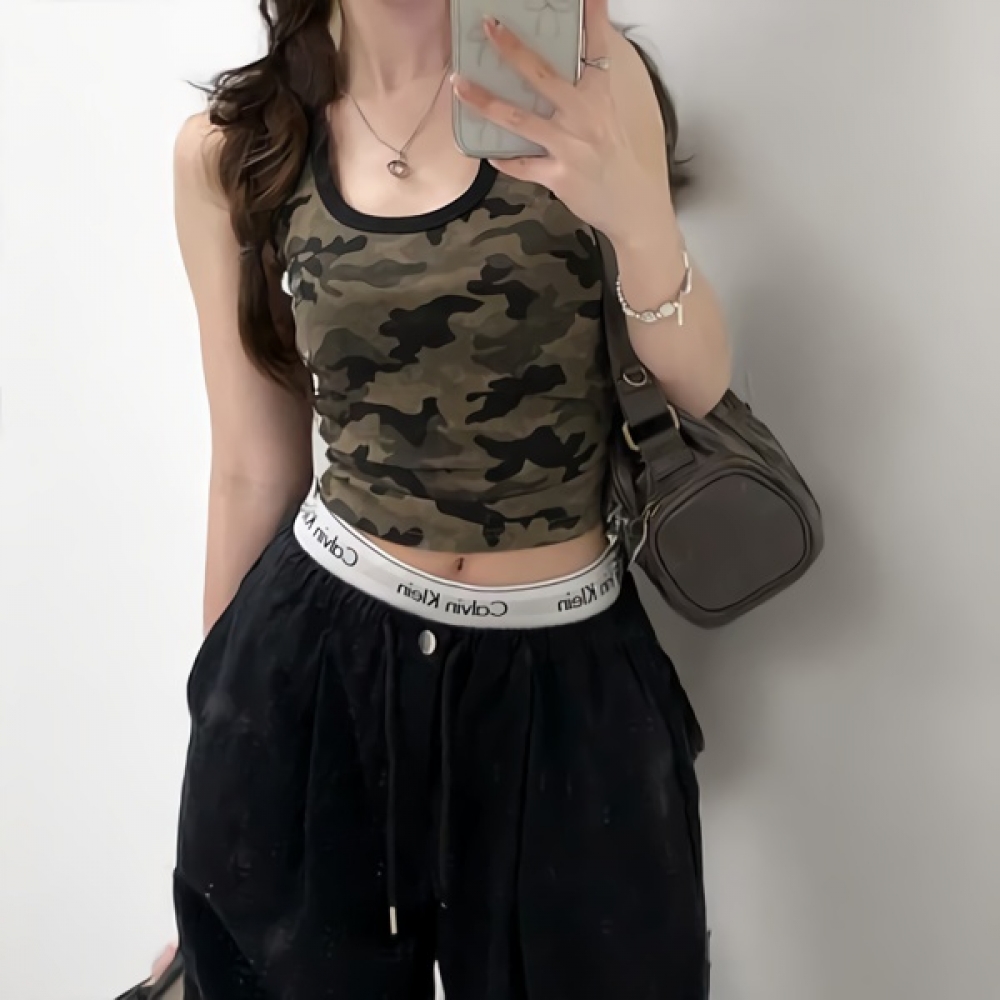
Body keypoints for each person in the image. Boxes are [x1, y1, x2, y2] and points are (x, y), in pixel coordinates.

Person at [170, 0, 730, 997]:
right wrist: (220, 751)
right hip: (317, 673)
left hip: (565, 679)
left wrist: (638, 219)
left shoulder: (588, 82)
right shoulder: (239, 148)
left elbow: (698, 388)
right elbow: (253, 468)